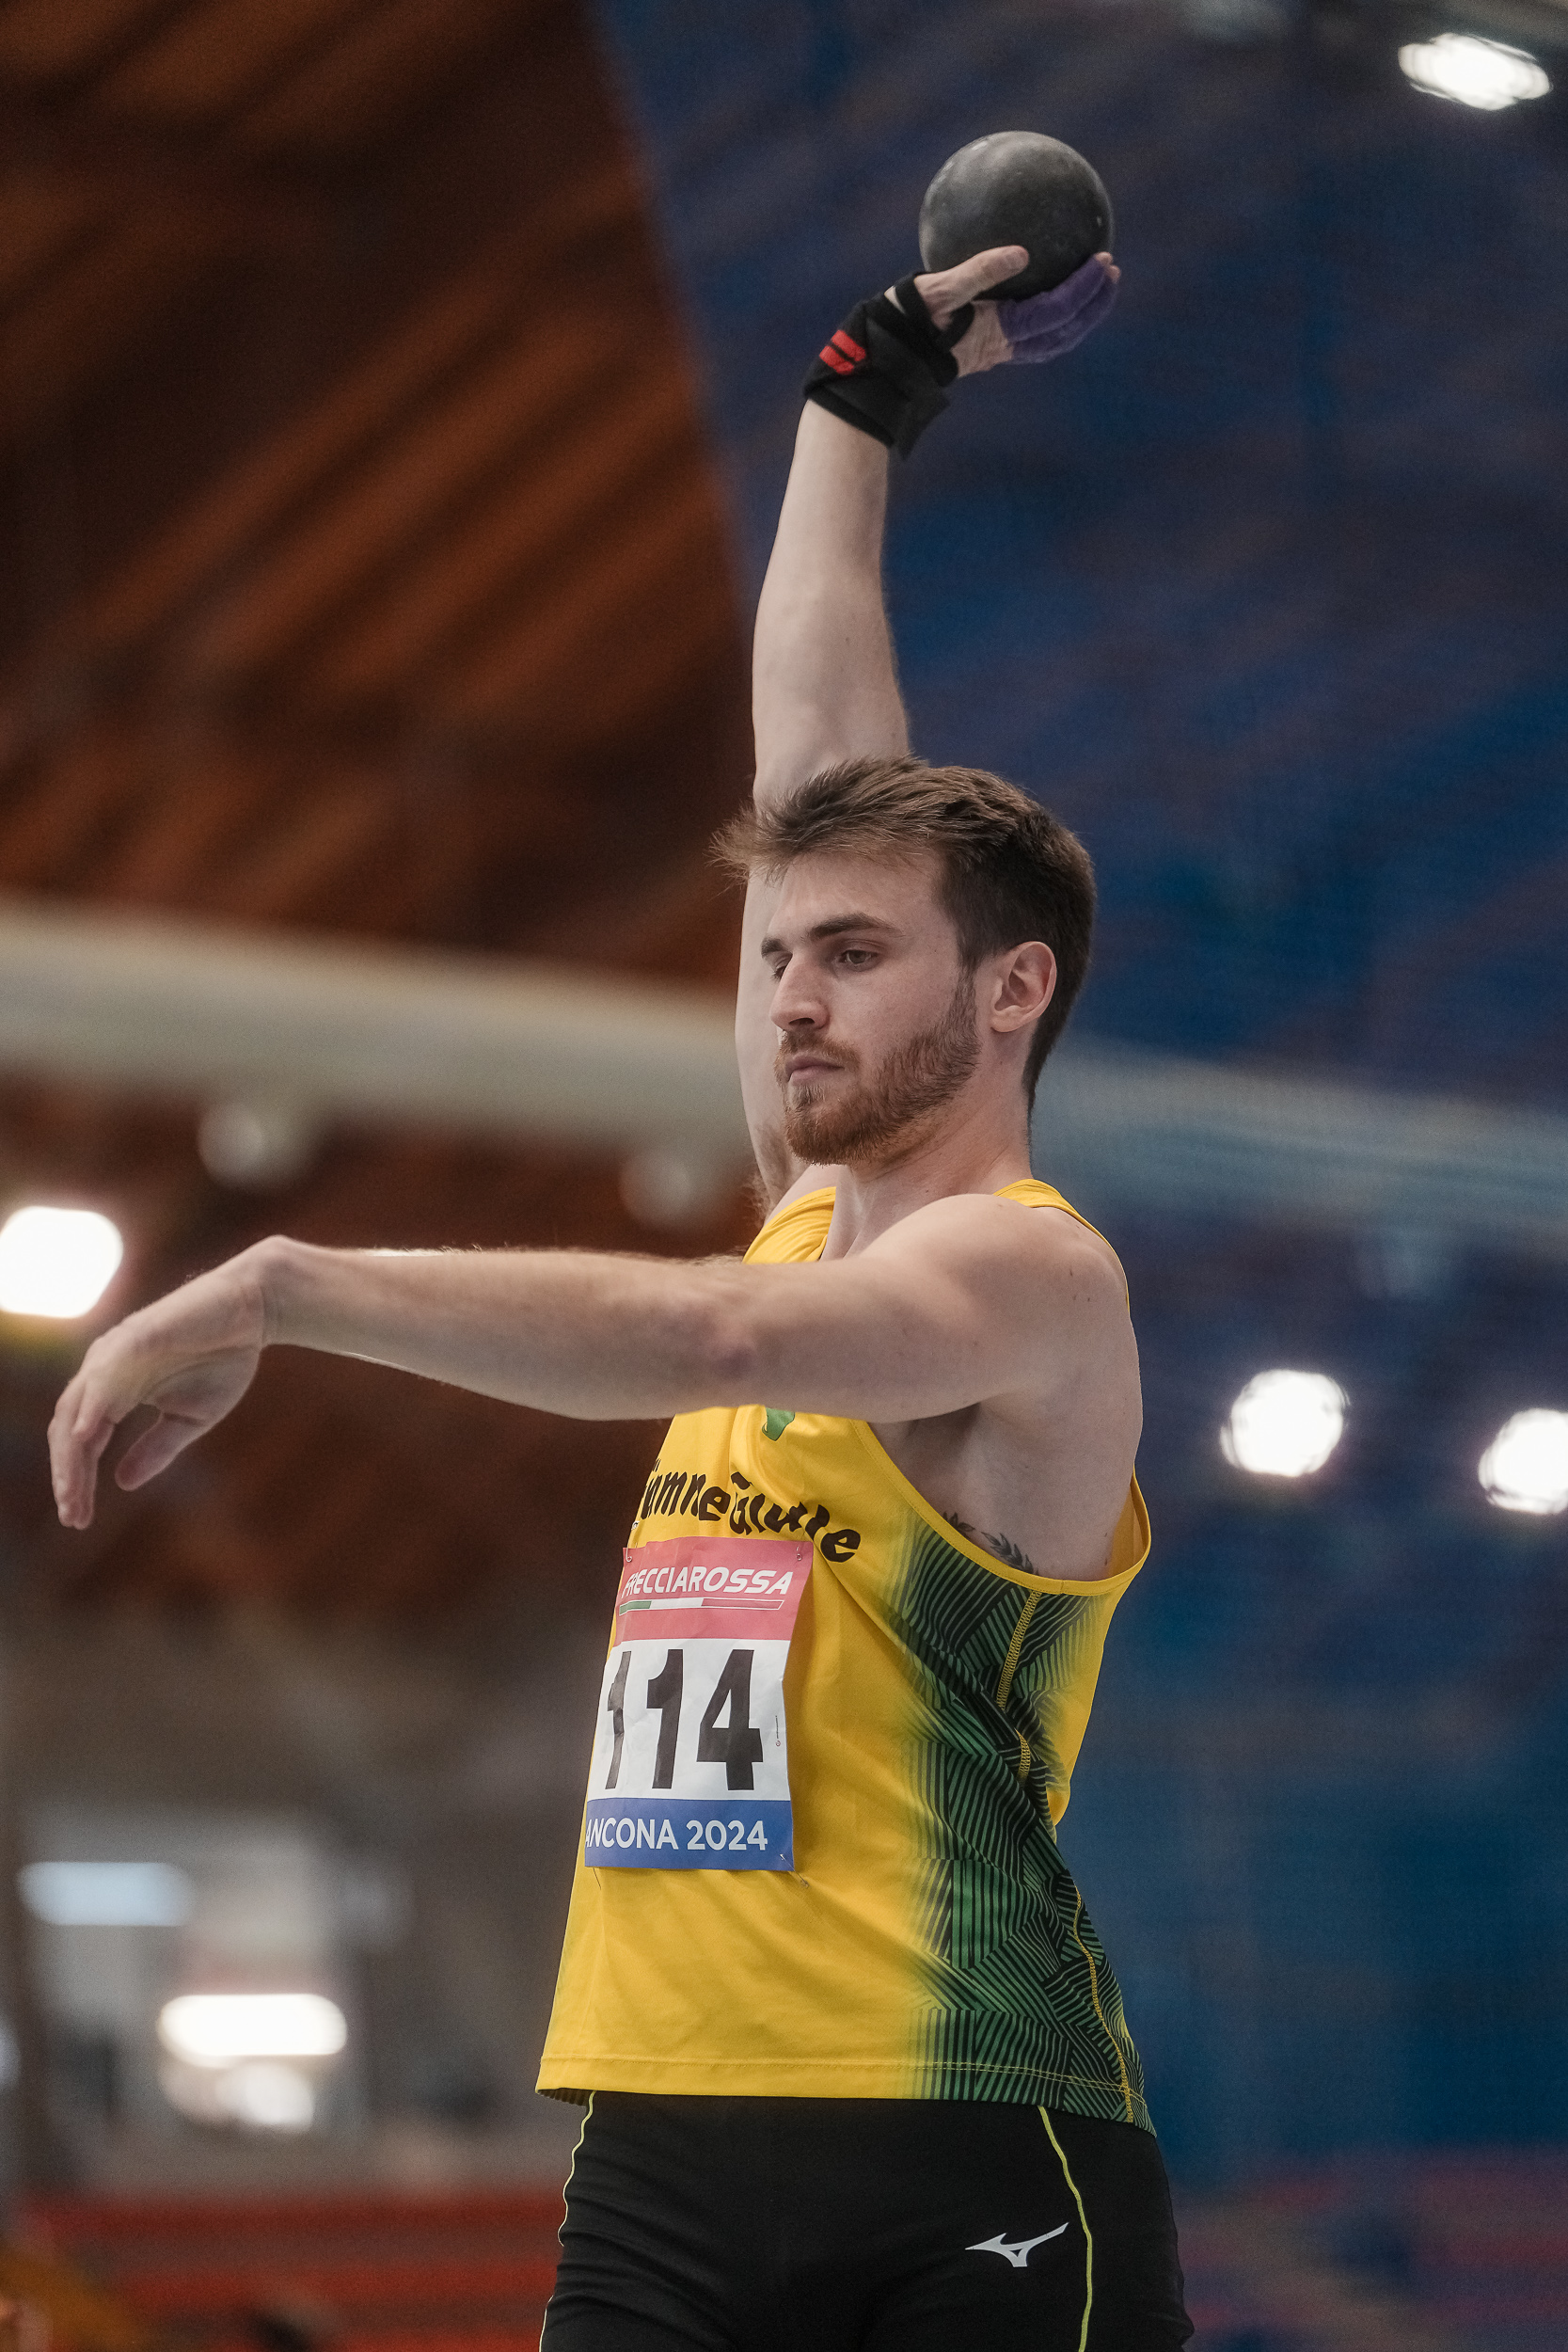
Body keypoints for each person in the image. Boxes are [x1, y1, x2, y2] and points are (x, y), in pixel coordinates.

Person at [49, 240, 1192, 2348]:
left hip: (965, 2141)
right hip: (660, 2140)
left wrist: (282, 1281)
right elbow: (815, 741)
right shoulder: (808, 1208)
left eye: (852, 956)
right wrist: (861, 401)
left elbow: (722, 1345)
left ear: (1011, 990)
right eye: (776, 955)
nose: (789, 995)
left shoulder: (1034, 1280)